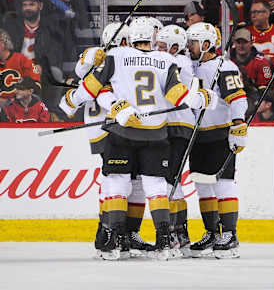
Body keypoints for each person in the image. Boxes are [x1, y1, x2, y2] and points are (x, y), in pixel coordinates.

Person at [59, 17, 217, 261]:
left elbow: (91, 87)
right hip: (156, 134)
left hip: (123, 133)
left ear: (131, 37)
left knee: (117, 183)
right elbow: (177, 95)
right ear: (153, 38)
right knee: (155, 186)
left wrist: (71, 101)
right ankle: (164, 242)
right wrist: (199, 99)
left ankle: (112, 242)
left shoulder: (117, 55)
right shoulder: (165, 59)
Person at [59, 21, 154, 259]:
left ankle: (119, 232)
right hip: (110, 130)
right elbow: (88, 76)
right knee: (118, 181)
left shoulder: (116, 63)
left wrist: (71, 100)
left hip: (117, 129)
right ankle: (113, 231)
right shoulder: (108, 63)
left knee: (127, 181)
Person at [186, 22, 248, 259]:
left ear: (206, 44)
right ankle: (211, 232)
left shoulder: (225, 66)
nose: (189, 46)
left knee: (224, 184)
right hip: (197, 136)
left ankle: (230, 234)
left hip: (220, 133)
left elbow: (238, 98)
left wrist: (238, 124)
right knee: (202, 186)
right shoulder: (189, 66)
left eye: (193, 42)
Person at [156, 24, 196, 258]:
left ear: (174, 47)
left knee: (169, 180)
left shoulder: (178, 63)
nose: (157, 50)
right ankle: (181, 234)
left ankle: (175, 233)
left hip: (176, 126)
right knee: (173, 181)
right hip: (177, 126)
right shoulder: (181, 61)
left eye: (162, 46)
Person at [0, 28, 41, 107]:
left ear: (2, 44)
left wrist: (14, 99)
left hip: (19, 105)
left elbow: (36, 86)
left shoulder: (22, 60)